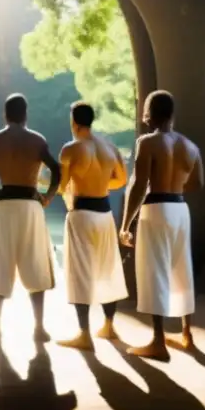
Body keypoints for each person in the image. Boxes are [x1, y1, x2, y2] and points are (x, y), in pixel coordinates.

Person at [0, 93, 61, 344]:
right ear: (25, 114)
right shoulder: (36, 140)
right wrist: (48, 195)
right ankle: (39, 327)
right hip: (30, 205)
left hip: (3, 205)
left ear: (5, 115)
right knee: (35, 261)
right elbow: (56, 169)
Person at [119, 90, 203, 362]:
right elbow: (198, 184)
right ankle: (186, 333)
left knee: (154, 270)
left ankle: (158, 342)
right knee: (182, 268)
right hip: (180, 209)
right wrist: (176, 186)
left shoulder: (148, 142)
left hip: (156, 208)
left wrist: (125, 224)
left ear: (150, 113)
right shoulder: (190, 146)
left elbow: (138, 185)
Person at [56, 101, 129, 350]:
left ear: (74, 122)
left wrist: (73, 186)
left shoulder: (71, 149)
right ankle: (109, 326)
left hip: (82, 213)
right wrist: (100, 185)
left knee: (80, 272)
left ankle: (84, 334)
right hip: (105, 213)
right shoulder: (109, 146)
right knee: (108, 268)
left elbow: (62, 184)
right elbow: (121, 179)